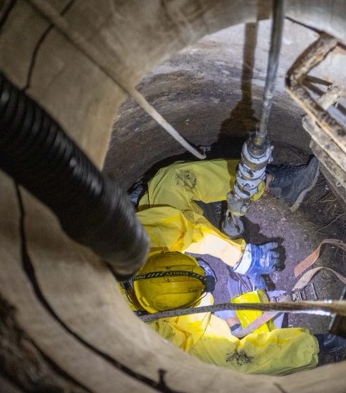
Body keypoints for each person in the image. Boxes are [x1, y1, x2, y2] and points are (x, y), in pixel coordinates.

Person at [118, 156, 321, 375]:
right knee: (231, 363)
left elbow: (189, 232)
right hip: (155, 327)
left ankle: (264, 181)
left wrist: (241, 257)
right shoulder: (142, 333)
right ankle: (317, 346)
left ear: (161, 257)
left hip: (137, 251)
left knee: (172, 181)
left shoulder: (130, 243)